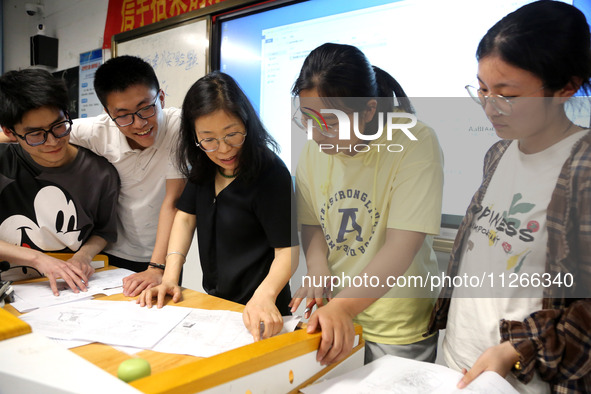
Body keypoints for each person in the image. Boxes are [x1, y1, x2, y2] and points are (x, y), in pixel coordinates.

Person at [427, 1, 591, 393]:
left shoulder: (582, 167)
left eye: (507, 94)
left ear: (565, 87)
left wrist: (518, 347)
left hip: (520, 378)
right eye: (482, 89)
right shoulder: (499, 153)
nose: (488, 106)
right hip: (455, 361)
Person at [290, 43, 444, 366]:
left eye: (330, 123)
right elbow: (312, 222)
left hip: (395, 325)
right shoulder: (312, 151)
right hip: (336, 314)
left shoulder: (413, 142)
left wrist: (344, 306)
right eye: (307, 120)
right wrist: (317, 263)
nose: (317, 136)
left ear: (369, 110)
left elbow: (401, 246)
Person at [137, 71, 299, 341]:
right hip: (218, 306)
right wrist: (169, 277)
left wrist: (265, 296)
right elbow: (186, 217)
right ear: (194, 137)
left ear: (246, 123)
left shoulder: (270, 172)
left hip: (262, 310)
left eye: (232, 134)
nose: (223, 149)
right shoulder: (204, 166)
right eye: (208, 139)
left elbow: (287, 250)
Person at [69, 56, 186, 297]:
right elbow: (39, 133)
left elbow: (172, 202)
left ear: (161, 98)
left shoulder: (179, 128)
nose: (140, 123)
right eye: (123, 115)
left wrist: (157, 267)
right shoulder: (98, 131)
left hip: (165, 257)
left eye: (146, 108)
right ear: (108, 113)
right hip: (112, 251)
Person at [0, 68, 119, 296]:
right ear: (10, 132)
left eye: (59, 126)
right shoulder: (3, 163)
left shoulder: (100, 173)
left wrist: (83, 256)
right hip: (10, 289)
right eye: (35, 134)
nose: (53, 141)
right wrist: (38, 259)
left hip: (72, 289)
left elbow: (104, 231)